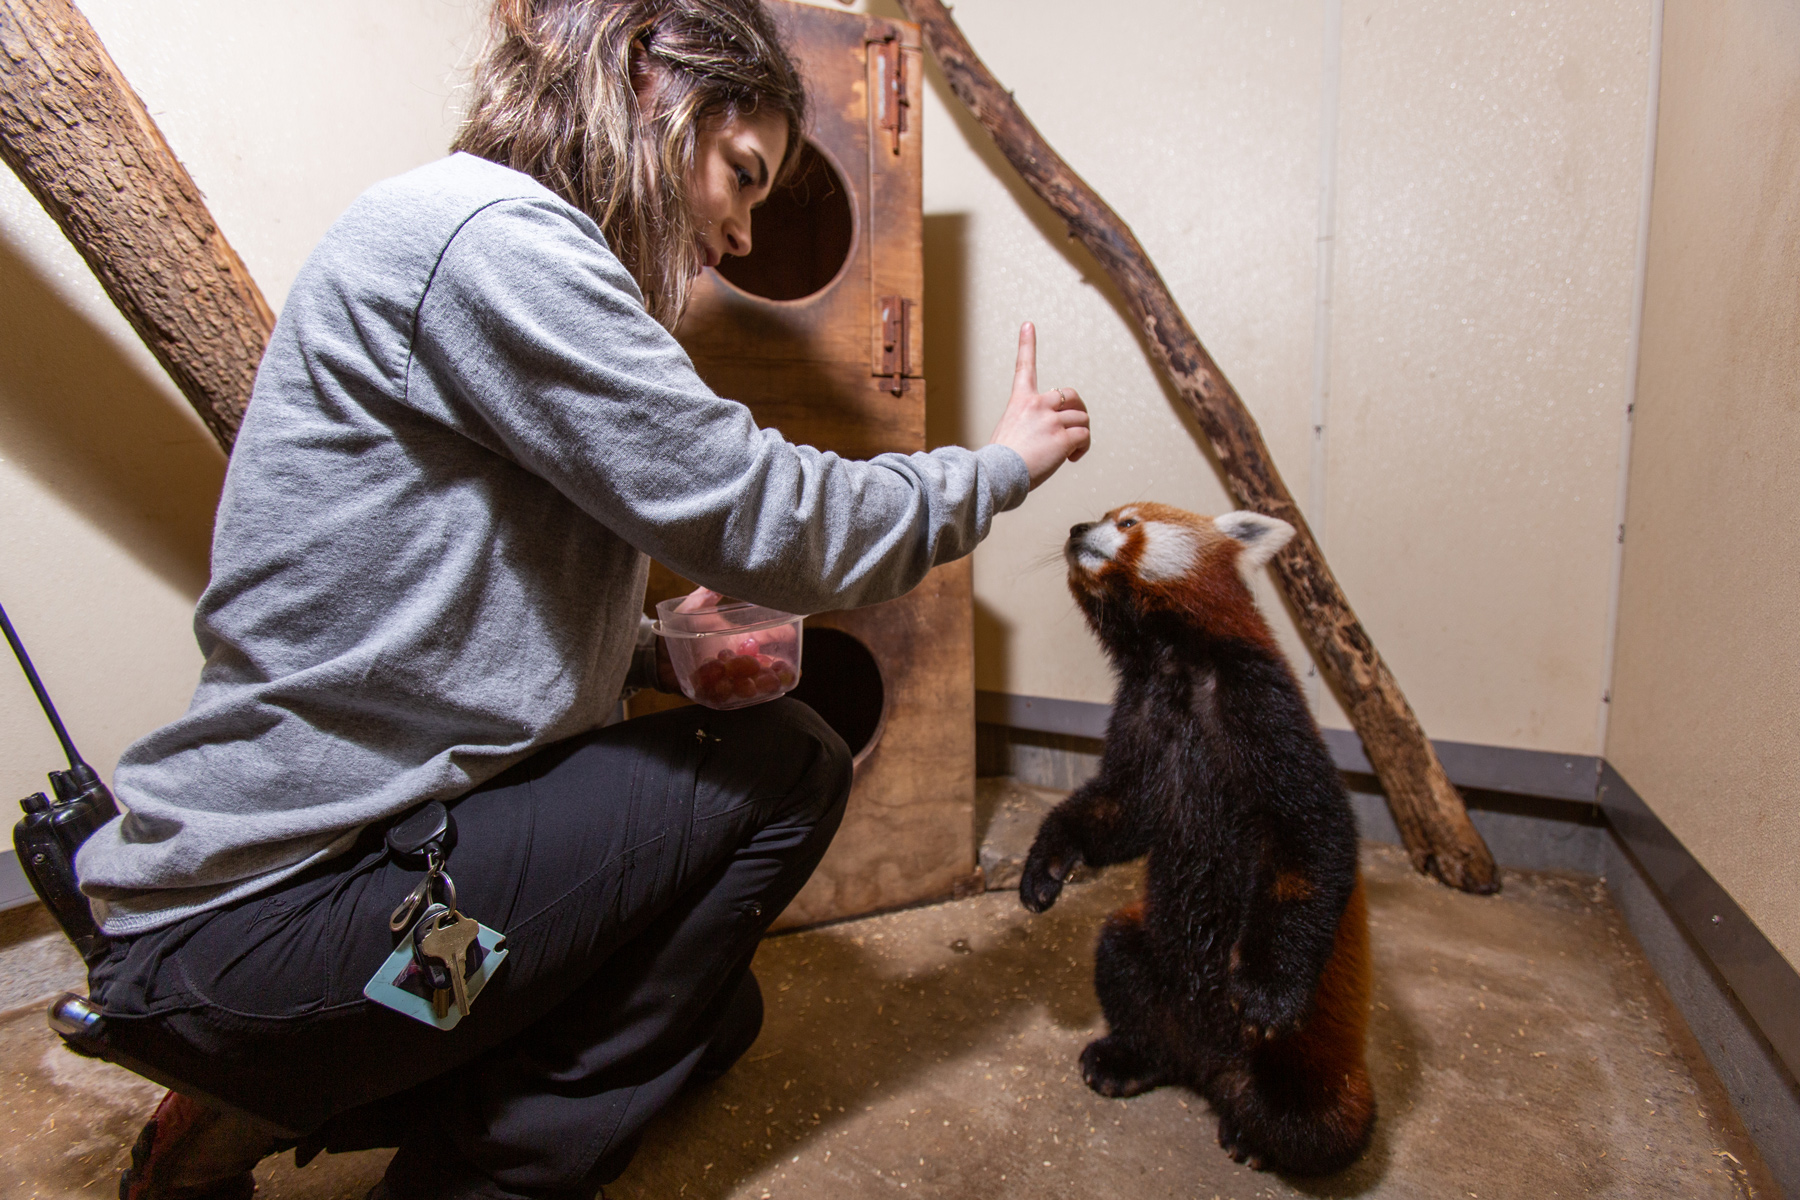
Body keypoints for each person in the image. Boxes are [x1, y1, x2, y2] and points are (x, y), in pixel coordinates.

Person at [80, 2, 1089, 1198]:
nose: (740, 232)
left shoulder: (480, 244)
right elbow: (772, 520)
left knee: (709, 1022)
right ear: (651, 85)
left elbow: (448, 606)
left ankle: (252, 1101)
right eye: (743, 175)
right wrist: (995, 470)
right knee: (791, 767)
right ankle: (414, 1147)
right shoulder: (494, 240)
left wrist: (655, 655)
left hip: (338, 906)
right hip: (272, 921)